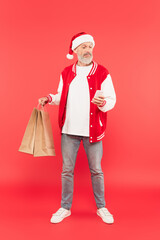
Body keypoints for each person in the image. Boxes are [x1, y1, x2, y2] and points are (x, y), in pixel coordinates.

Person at [38, 32, 116, 224]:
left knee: (96, 170)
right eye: (83, 46)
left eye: (90, 46)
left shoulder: (102, 72)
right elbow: (61, 95)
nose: (88, 50)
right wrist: (49, 99)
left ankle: (101, 207)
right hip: (69, 131)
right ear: (74, 50)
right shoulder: (66, 73)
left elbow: (111, 99)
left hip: (93, 132)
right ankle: (65, 208)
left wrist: (102, 103)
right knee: (67, 170)